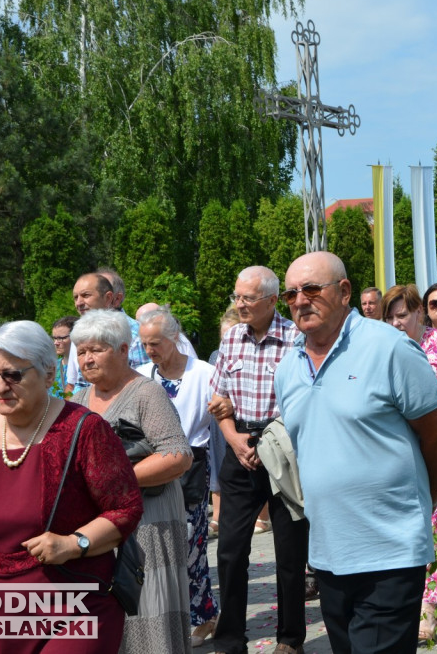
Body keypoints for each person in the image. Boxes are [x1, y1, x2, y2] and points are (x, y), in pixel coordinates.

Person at [275, 252, 437, 653]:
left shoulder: (389, 347)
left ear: (343, 292)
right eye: (291, 294)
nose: (300, 300)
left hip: (390, 549)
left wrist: (418, 502)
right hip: (328, 551)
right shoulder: (288, 368)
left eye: (311, 289)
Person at [0, 321, 144, 654]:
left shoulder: (84, 431)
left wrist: (74, 543)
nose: (0, 387)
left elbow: (126, 508)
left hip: (77, 608)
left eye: (13, 375)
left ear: (47, 374)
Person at [71, 309, 193, 653]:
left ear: (123, 350)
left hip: (148, 520)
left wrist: (110, 480)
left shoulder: (146, 393)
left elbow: (177, 455)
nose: (87, 358)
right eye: (81, 351)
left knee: (148, 605)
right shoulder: (78, 401)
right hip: (101, 524)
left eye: (96, 349)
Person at [209, 266, 310, 654]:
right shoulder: (232, 338)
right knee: (231, 550)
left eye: (248, 298)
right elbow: (219, 401)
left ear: (271, 300)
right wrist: (234, 440)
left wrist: (270, 442)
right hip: (241, 447)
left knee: (289, 550)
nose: (240, 304)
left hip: (283, 448)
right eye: (237, 296)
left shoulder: (296, 338)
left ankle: (290, 639)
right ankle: (231, 639)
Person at [380, 283, 437, 642]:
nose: (397, 323)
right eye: (390, 317)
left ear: (418, 313)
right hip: (394, 451)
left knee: (436, 527)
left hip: (434, 447)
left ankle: (431, 607)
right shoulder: (381, 348)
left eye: (403, 315)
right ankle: (408, 601)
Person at [135, 307, 220, 646]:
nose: (149, 351)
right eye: (144, 344)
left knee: (190, 544)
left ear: (174, 338)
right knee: (157, 546)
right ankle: (171, 615)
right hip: (152, 465)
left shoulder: (204, 373)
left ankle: (203, 616)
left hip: (191, 466)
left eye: (155, 343)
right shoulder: (141, 375)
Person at [65, 272, 150, 394]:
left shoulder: (137, 334)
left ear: (108, 298)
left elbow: (143, 385)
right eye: (75, 297)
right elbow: (79, 384)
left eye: (85, 295)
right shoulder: (80, 334)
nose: (78, 303)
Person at [382, 284, 437, 384]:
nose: (394, 323)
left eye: (401, 316)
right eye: (389, 318)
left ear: (419, 311)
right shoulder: (382, 347)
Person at [206, 305, 240, 537]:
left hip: (242, 419)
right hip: (220, 420)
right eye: (223, 337)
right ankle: (217, 514)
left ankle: (263, 514)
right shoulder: (216, 356)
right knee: (217, 462)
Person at [51, 315, 78, 398]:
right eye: (54, 338)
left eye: (61, 338)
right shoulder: (51, 368)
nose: (56, 343)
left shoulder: (82, 368)